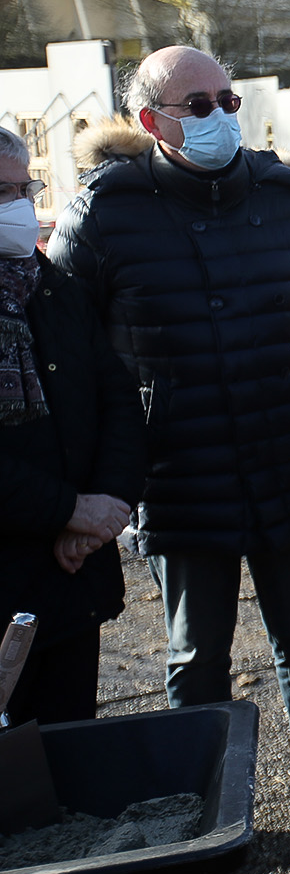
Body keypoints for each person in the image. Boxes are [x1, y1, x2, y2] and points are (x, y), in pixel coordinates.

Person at [51, 46, 290, 831]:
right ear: (151, 121)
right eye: (197, 105)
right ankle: (200, 806)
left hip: (289, 449)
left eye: (228, 100)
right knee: (195, 656)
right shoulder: (105, 211)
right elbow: (73, 351)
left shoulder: (286, 197)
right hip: (177, 463)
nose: (220, 116)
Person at [0, 128, 145, 724]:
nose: (17, 206)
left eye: (22, 188)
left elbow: (117, 399)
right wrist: (67, 509)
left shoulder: (56, 287)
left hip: (68, 578)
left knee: (67, 754)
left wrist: (106, 505)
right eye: (0, 192)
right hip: (13, 565)